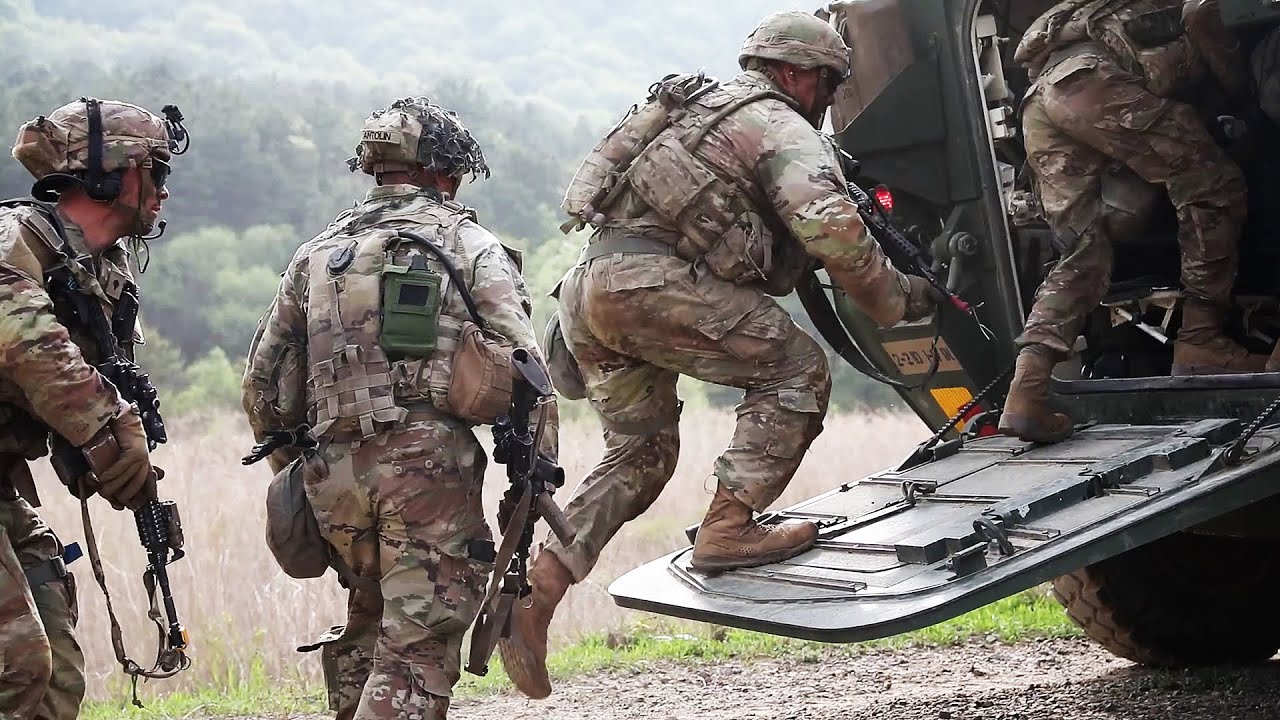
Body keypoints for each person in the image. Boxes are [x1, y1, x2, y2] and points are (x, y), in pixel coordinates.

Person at [497, 10, 937, 700]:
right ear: (796, 73)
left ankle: (538, 594)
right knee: (796, 370)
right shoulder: (781, 127)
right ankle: (728, 529)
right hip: (654, 287)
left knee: (640, 454)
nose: (827, 103)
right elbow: (833, 231)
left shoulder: (690, 111)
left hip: (589, 289)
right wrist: (899, 298)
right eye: (828, 85)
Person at [241, 97, 556, 720]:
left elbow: (262, 385)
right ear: (444, 171)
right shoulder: (466, 243)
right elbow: (528, 371)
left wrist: (301, 467)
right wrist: (535, 475)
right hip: (426, 476)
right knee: (418, 647)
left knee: (368, 619)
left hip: (330, 472)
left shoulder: (317, 254)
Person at [1001, 0, 1264, 443]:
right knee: (1211, 184)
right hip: (1092, 83)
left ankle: (1027, 391)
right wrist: (1243, 93)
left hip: (1043, 98)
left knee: (1084, 248)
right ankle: (1201, 336)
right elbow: (1201, 18)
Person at [0, 97, 180, 719]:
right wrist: (111, 434)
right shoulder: (14, 241)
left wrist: (107, 457)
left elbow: (97, 374)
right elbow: (26, 348)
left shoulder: (100, 269)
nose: (162, 189)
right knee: (16, 662)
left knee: (54, 676)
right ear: (114, 174)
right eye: (154, 170)